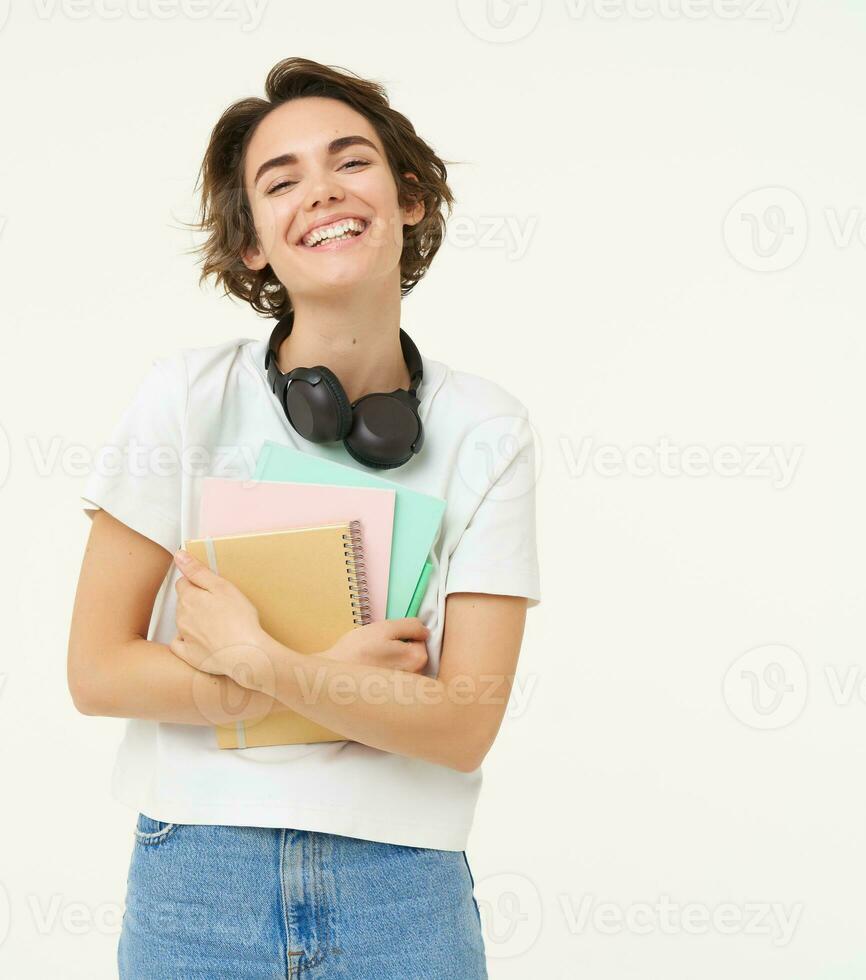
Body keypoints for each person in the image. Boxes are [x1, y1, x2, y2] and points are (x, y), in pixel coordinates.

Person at [68, 56, 541, 979]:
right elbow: (95, 669)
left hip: (402, 893)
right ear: (253, 244)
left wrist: (260, 661)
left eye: (350, 161)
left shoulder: (488, 428)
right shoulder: (185, 400)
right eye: (280, 180)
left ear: (409, 197)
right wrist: (328, 684)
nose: (320, 191)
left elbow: (462, 724)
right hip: (198, 882)